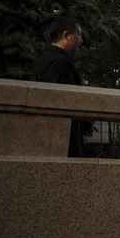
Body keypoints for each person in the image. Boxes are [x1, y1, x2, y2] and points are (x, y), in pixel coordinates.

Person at [30, 15, 89, 157]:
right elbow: (56, 101)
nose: (81, 40)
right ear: (66, 35)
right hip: (60, 139)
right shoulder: (59, 62)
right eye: (79, 35)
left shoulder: (45, 58)